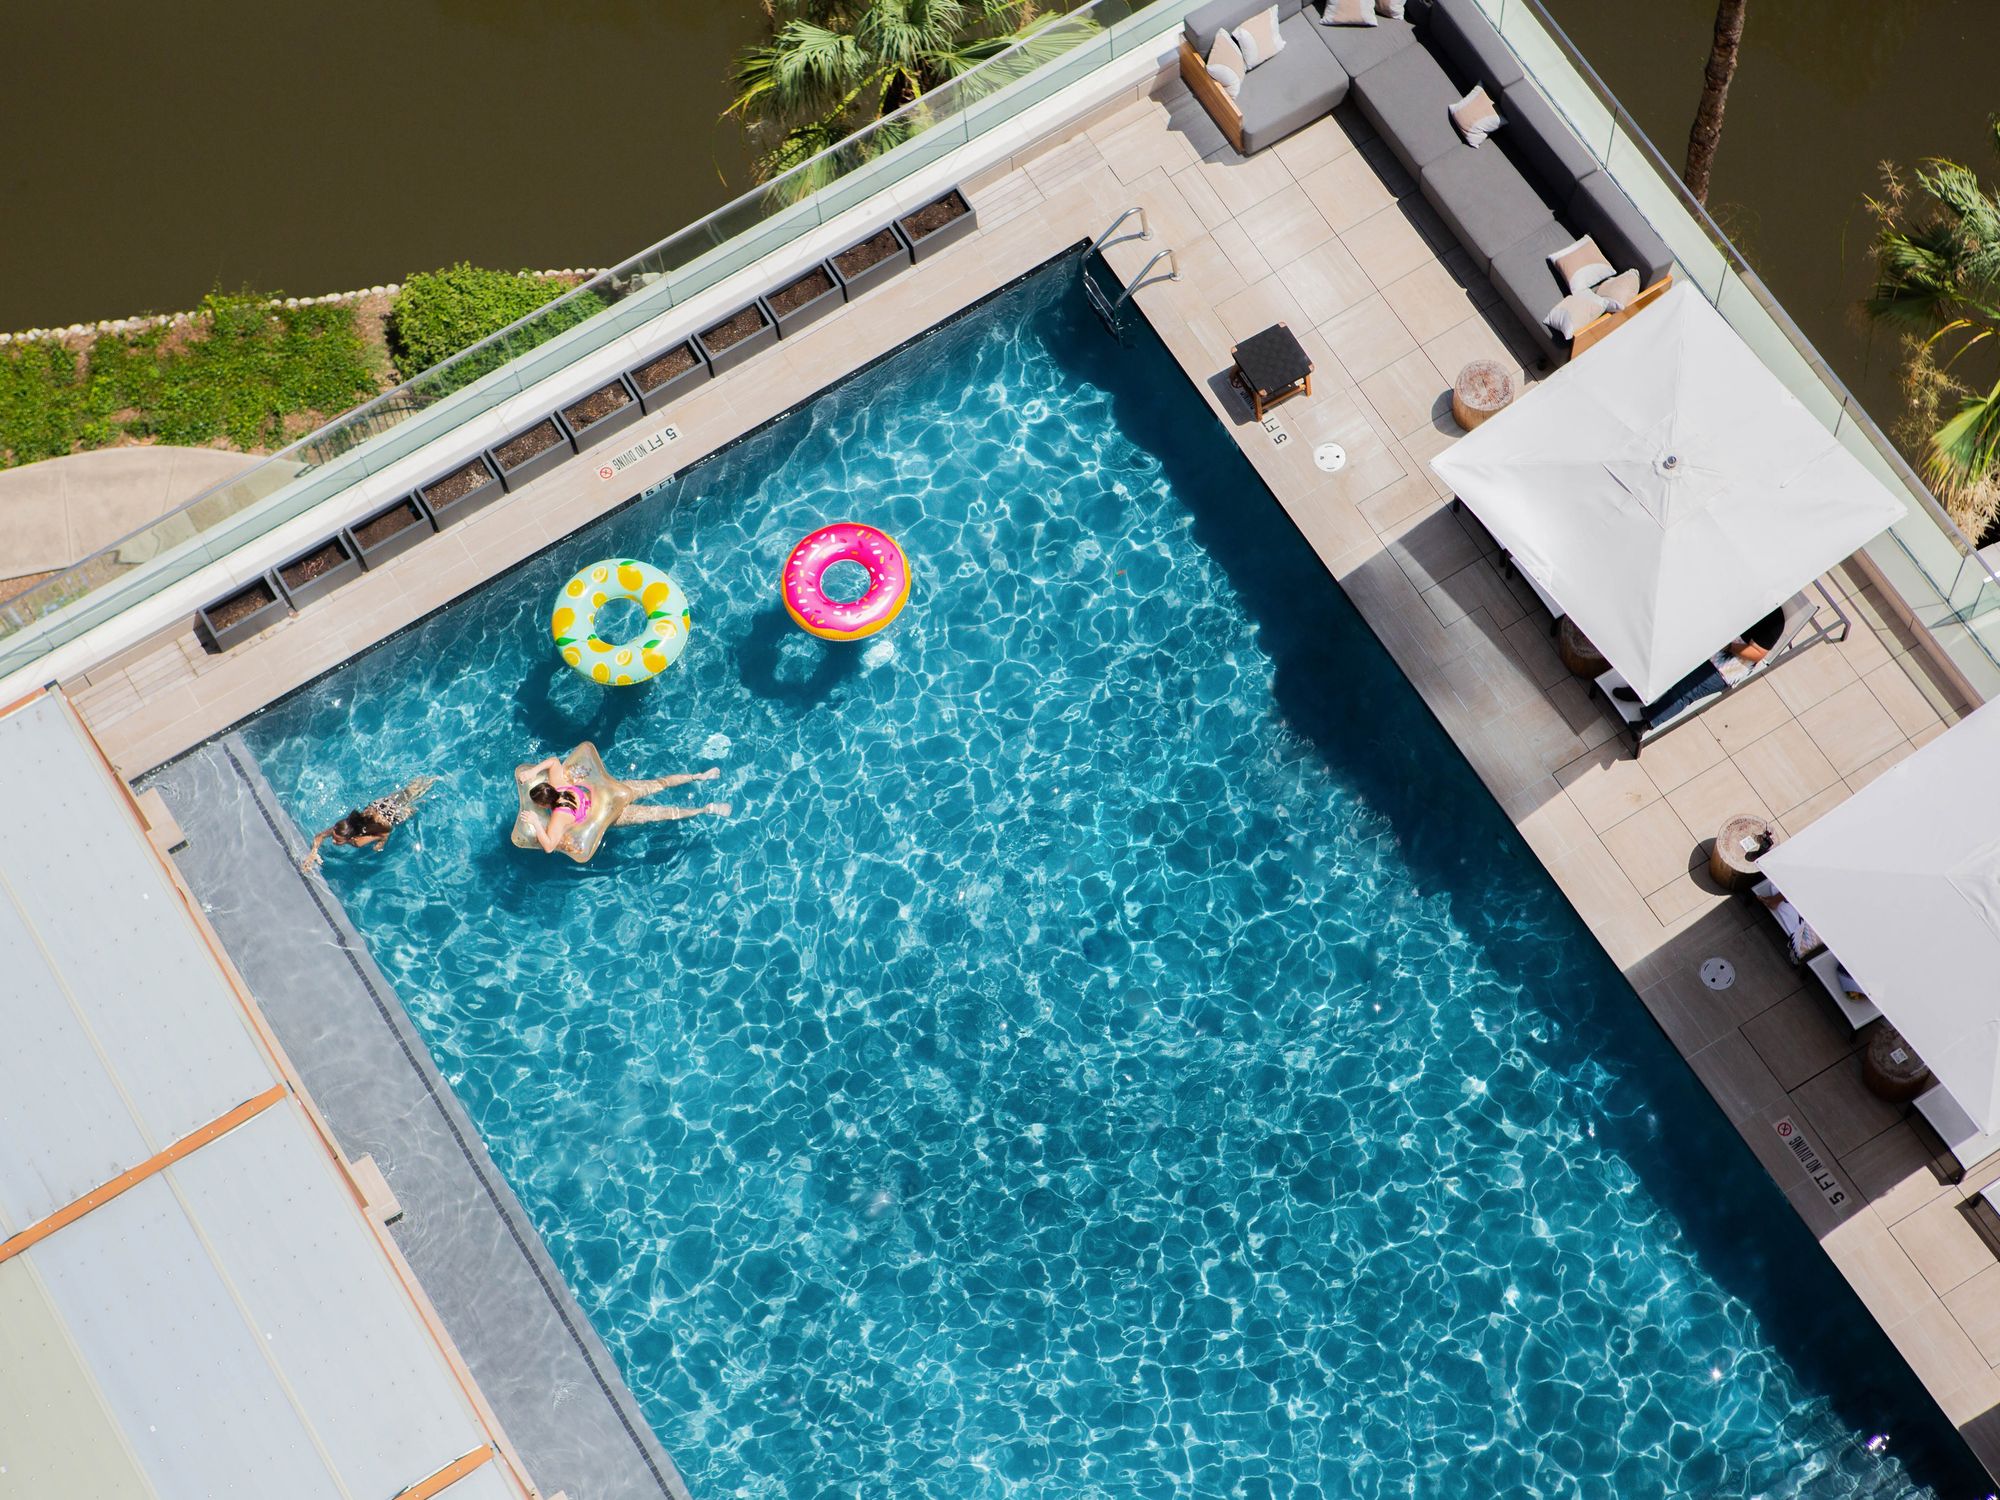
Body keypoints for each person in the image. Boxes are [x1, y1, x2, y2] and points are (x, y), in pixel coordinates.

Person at [520, 755, 728, 855]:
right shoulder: (561, 785)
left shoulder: (559, 817)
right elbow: (555, 761)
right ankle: (698, 776)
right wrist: (532, 772)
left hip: (613, 814)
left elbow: (548, 847)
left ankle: (706, 809)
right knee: (659, 783)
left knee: (661, 813)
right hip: (614, 793)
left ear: (545, 805)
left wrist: (536, 823)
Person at [302, 774, 439, 871]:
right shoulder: (341, 828)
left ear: (351, 837)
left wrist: (380, 844)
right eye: (335, 839)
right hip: (379, 806)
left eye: (338, 841)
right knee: (407, 792)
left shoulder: (358, 842)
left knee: (416, 804)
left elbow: (384, 833)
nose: (334, 841)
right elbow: (319, 836)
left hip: (391, 817)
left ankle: (432, 785)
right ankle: (430, 778)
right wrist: (313, 853)